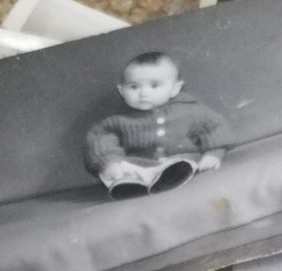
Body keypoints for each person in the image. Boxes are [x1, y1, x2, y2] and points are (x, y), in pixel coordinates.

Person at [84, 51, 230, 199]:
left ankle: (168, 178)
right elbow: (99, 140)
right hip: (139, 166)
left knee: (184, 163)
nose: (143, 93)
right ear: (122, 91)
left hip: (179, 162)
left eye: (154, 85)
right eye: (134, 87)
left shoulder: (190, 111)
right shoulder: (117, 120)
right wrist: (110, 164)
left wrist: (213, 154)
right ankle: (128, 186)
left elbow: (216, 128)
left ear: (175, 89)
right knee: (117, 170)